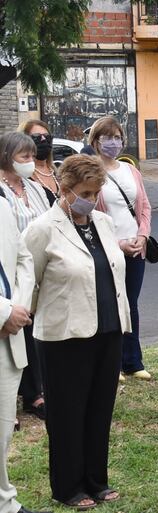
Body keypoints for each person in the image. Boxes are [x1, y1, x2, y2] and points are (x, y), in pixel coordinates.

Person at [22, 154, 131, 510]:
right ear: (65, 189)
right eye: (85, 193)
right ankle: (68, 487)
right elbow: (29, 281)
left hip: (108, 329)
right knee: (67, 413)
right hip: (64, 336)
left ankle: (96, 480)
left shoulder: (103, 222)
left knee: (100, 409)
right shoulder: (43, 228)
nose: (92, 199)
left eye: (96, 192)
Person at [0, 197, 52, 513]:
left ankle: (3, 504)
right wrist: (3, 312)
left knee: (3, 428)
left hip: (8, 336)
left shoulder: (3, 206)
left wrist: (15, 310)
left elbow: (23, 259)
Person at [89, 116, 153, 381]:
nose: (113, 143)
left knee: (130, 304)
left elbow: (144, 206)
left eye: (117, 137)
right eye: (107, 138)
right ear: (95, 141)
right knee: (108, 305)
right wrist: (117, 245)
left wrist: (143, 236)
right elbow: (87, 216)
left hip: (135, 248)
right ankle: (110, 364)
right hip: (106, 249)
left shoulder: (130, 170)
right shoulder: (90, 171)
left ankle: (132, 361)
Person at [0, 132, 50, 422]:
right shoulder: (1, 192)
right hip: (10, 277)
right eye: (24, 156)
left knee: (34, 333)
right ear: (7, 157)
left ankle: (34, 392)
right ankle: (12, 401)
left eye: (32, 156)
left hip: (38, 269)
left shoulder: (34, 188)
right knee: (17, 334)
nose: (31, 161)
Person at [17, 119, 59, 203]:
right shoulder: (21, 177)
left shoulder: (57, 172)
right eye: (36, 136)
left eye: (47, 136)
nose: (43, 139)